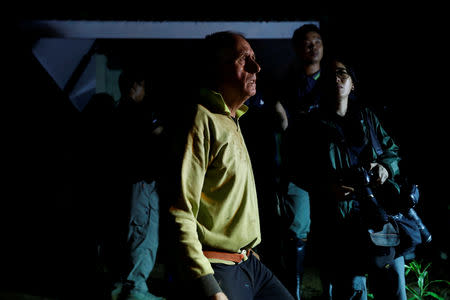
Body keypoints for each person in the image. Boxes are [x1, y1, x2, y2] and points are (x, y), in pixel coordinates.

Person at [166, 30, 294, 300]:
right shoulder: (200, 119)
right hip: (216, 266)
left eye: (255, 59)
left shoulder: (233, 119)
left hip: (248, 262)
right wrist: (209, 286)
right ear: (216, 68)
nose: (256, 67)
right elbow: (180, 211)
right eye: (243, 59)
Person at [307, 57, 407, 299]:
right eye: (330, 75)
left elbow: (392, 151)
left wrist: (385, 167)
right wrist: (326, 188)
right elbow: (299, 170)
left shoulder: (368, 118)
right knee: (351, 290)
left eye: (343, 73)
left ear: (352, 84)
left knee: (393, 287)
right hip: (340, 223)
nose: (337, 78)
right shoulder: (311, 125)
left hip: (379, 216)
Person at [277, 23, 326, 299]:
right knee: (296, 229)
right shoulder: (285, 84)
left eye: (318, 41)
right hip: (297, 169)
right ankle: (292, 292)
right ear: (297, 48)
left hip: (329, 169)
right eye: (308, 42)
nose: (313, 46)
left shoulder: (334, 81)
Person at [110, 66, 165, 300]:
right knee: (142, 232)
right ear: (135, 87)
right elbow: (157, 139)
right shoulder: (141, 114)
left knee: (125, 232)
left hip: (121, 184)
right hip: (141, 183)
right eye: (142, 85)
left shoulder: (114, 113)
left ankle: (121, 285)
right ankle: (135, 288)